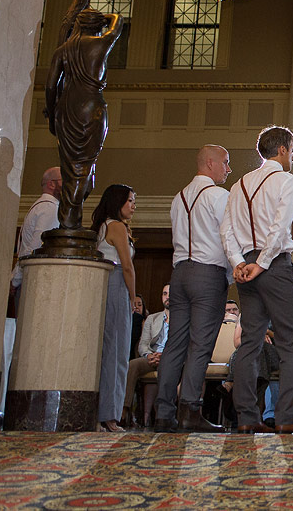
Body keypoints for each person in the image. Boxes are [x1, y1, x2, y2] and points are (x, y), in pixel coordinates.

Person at [221, 126, 293, 434]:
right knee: (292, 340)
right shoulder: (286, 180)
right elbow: (279, 230)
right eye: (292, 150)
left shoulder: (238, 185)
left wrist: (239, 263)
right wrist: (261, 265)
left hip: (246, 267)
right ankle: (287, 417)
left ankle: (247, 418)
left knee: (250, 343)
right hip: (272, 266)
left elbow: (226, 231)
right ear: (284, 149)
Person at [155, 144, 232, 433]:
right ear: (210, 164)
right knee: (200, 345)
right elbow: (228, 237)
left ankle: (163, 413)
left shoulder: (179, 198)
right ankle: (190, 410)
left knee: (175, 343)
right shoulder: (217, 195)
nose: (228, 169)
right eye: (225, 163)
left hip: (179, 273)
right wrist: (233, 270)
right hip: (207, 273)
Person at [45, 9, 123, 229]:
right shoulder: (100, 44)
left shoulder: (63, 50)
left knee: (72, 167)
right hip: (91, 108)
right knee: (83, 167)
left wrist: (52, 115)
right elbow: (118, 22)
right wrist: (106, 16)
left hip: (66, 108)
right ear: (97, 25)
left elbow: (51, 87)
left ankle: (70, 217)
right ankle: (70, 221)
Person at [92, 184, 143, 432]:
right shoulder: (116, 226)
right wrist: (134, 297)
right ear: (118, 201)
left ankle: (103, 413)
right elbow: (126, 266)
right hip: (116, 284)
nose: (134, 205)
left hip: (105, 285)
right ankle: (109, 415)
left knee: (108, 350)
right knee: (117, 350)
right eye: (130, 201)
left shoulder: (102, 226)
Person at [124, 283, 169, 427]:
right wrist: (149, 355)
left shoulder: (184, 318)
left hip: (170, 358)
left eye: (170, 293)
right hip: (151, 357)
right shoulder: (152, 318)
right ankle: (124, 411)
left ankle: (164, 415)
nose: (167, 297)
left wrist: (164, 355)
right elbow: (143, 344)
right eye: (164, 294)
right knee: (132, 365)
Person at [12, 167, 61, 289]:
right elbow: (37, 247)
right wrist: (15, 280)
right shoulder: (49, 208)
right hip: (32, 280)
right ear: (51, 184)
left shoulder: (42, 205)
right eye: (64, 180)